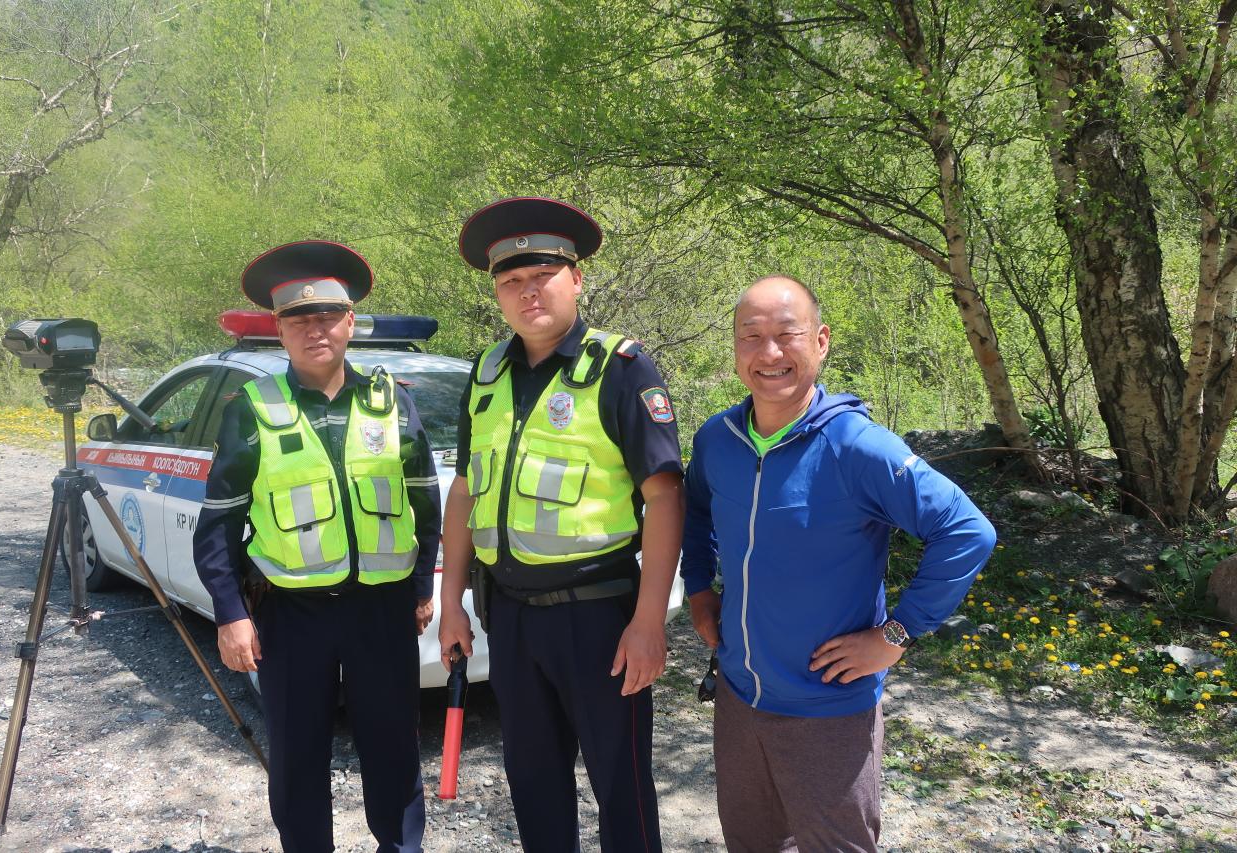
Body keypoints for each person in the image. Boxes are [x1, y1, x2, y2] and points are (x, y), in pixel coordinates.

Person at [681, 275, 996, 853]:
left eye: (787, 334)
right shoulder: (716, 440)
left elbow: (967, 531)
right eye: (751, 335)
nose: (769, 352)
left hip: (829, 708)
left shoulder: (858, 446)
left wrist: (897, 634)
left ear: (821, 341)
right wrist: (699, 587)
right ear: (735, 346)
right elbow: (694, 512)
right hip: (739, 698)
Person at [438, 196, 684, 852]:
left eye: (543, 275)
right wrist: (451, 601)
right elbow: (464, 490)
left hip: (598, 618)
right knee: (534, 784)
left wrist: (649, 622)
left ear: (576, 279)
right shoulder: (486, 373)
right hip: (511, 618)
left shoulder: (621, 369)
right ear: (497, 293)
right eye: (511, 281)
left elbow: (665, 498)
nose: (528, 292)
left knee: (622, 789)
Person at [193, 241, 439, 853]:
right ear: (279, 330)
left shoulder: (393, 402)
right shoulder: (252, 410)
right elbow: (218, 525)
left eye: (328, 316)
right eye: (298, 319)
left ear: (350, 322)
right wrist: (230, 614)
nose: (315, 330)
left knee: (393, 749)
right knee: (298, 756)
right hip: (291, 615)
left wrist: (422, 588)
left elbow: (426, 505)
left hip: (382, 611)